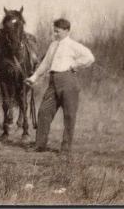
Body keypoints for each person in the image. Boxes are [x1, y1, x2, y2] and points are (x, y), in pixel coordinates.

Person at [25, 18, 94, 154]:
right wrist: (33, 78)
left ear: (67, 31)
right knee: (44, 111)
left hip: (68, 81)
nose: (55, 34)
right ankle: (40, 145)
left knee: (69, 116)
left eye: (58, 31)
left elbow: (90, 57)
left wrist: (75, 65)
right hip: (53, 82)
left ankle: (65, 149)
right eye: (54, 31)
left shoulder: (73, 45)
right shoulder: (53, 45)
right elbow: (45, 64)